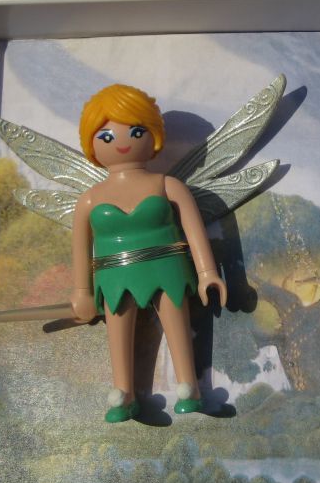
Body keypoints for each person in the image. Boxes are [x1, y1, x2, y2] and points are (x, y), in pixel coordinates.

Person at [69, 84, 227, 422]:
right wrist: (82, 292)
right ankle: (123, 392)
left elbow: (195, 231)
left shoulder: (167, 186)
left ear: (153, 135)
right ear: (92, 144)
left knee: (177, 325)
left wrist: (207, 273)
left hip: (167, 268)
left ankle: (190, 386)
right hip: (114, 275)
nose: (122, 142)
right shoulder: (90, 199)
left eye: (136, 131)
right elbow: (80, 248)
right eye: (106, 136)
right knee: (118, 330)